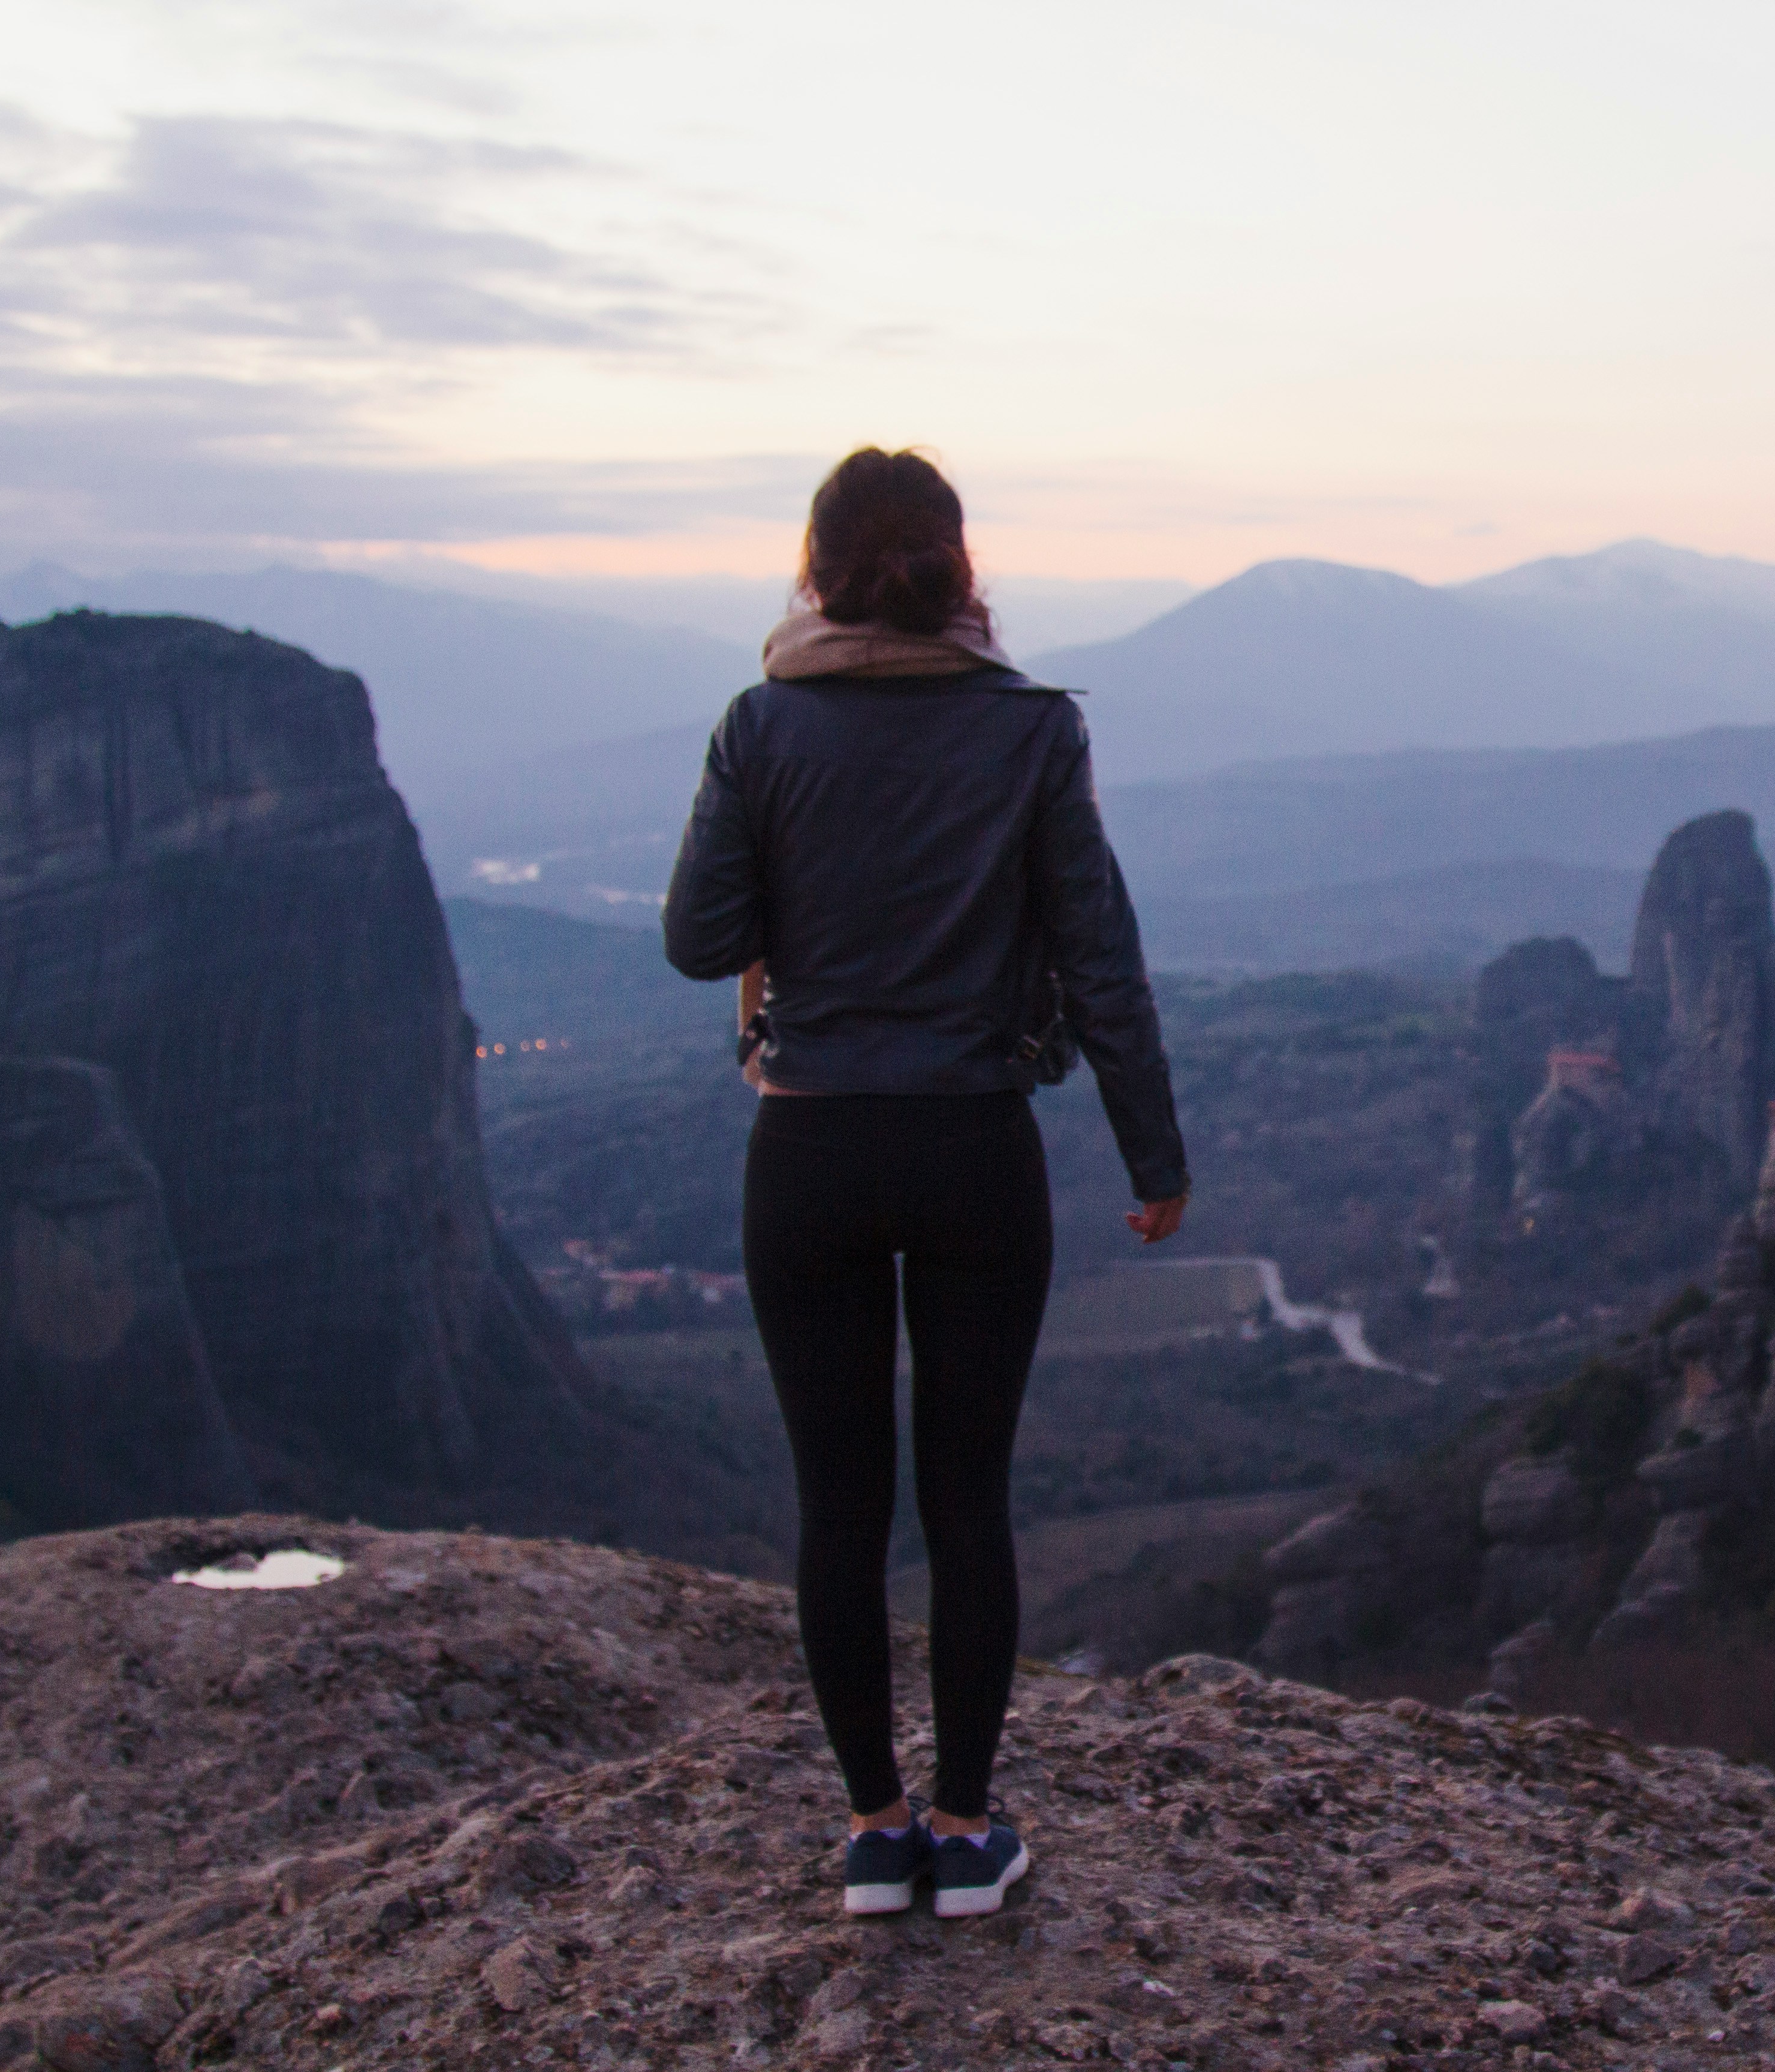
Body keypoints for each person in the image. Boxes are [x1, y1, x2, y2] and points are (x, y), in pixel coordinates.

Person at [662, 447, 1190, 1920]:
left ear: (815, 574)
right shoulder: (1029, 732)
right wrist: (1155, 1155)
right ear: (963, 575)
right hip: (973, 1153)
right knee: (967, 1499)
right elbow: (1100, 959)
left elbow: (701, 941)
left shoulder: (759, 724)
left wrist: (800, 875)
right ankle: (969, 1830)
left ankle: (873, 1831)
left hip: (811, 1149)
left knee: (839, 1508)